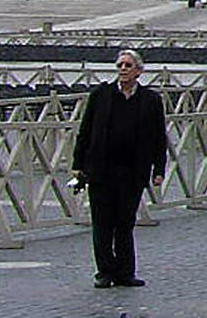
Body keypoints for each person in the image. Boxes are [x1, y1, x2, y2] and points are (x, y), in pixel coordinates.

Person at [71, 50, 168, 289]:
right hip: (101, 169)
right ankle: (104, 272)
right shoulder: (101, 95)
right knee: (102, 224)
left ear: (139, 71)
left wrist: (159, 169)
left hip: (132, 171)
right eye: (120, 65)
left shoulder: (151, 100)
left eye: (128, 65)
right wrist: (77, 164)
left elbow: (158, 137)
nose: (123, 69)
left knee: (125, 223)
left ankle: (125, 272)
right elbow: (85, 130)